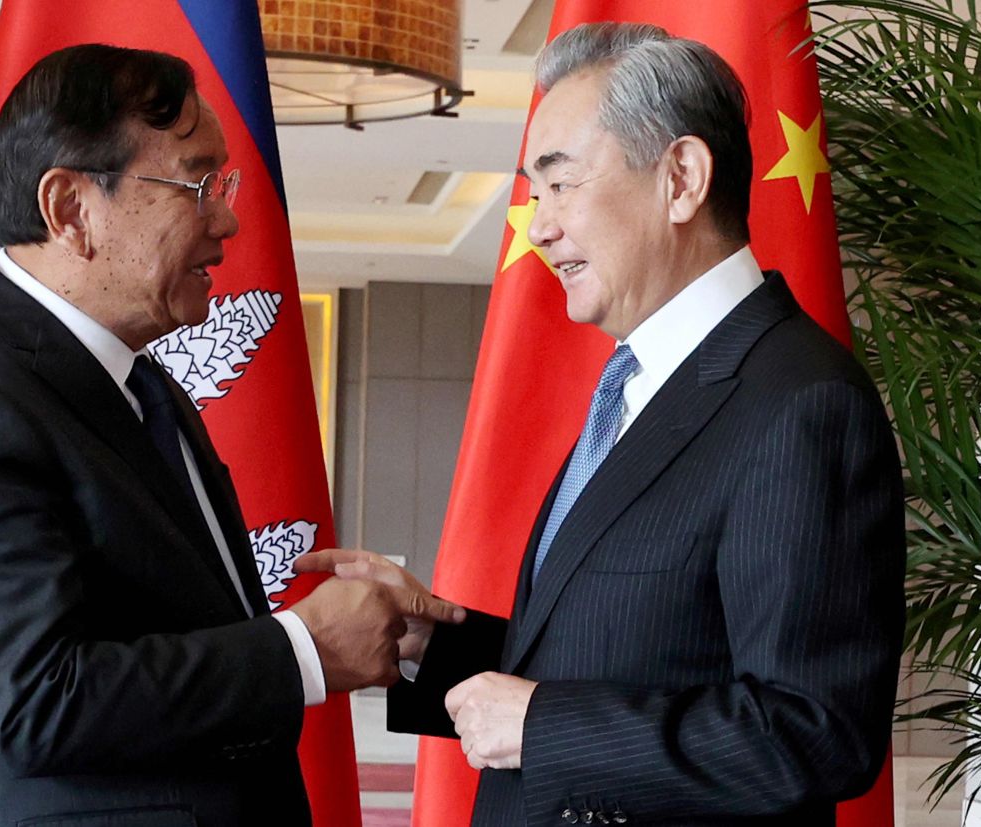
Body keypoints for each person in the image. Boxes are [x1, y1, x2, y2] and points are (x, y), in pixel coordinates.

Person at [297, 22, 905, 827]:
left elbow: (814, 733)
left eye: (560, 183)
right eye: (533, 190)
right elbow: (629, 651)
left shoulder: (798, 402)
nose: (537, 225)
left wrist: (542, 725)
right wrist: (433, 644)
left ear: (681, 178)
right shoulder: (640, 383)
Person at [0, 44, 461, 827]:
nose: (229, 217)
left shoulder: (141, 383)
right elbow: (33, 702)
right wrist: (303, 650)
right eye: (198, 182)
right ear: (70, 209)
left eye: (225, 184)